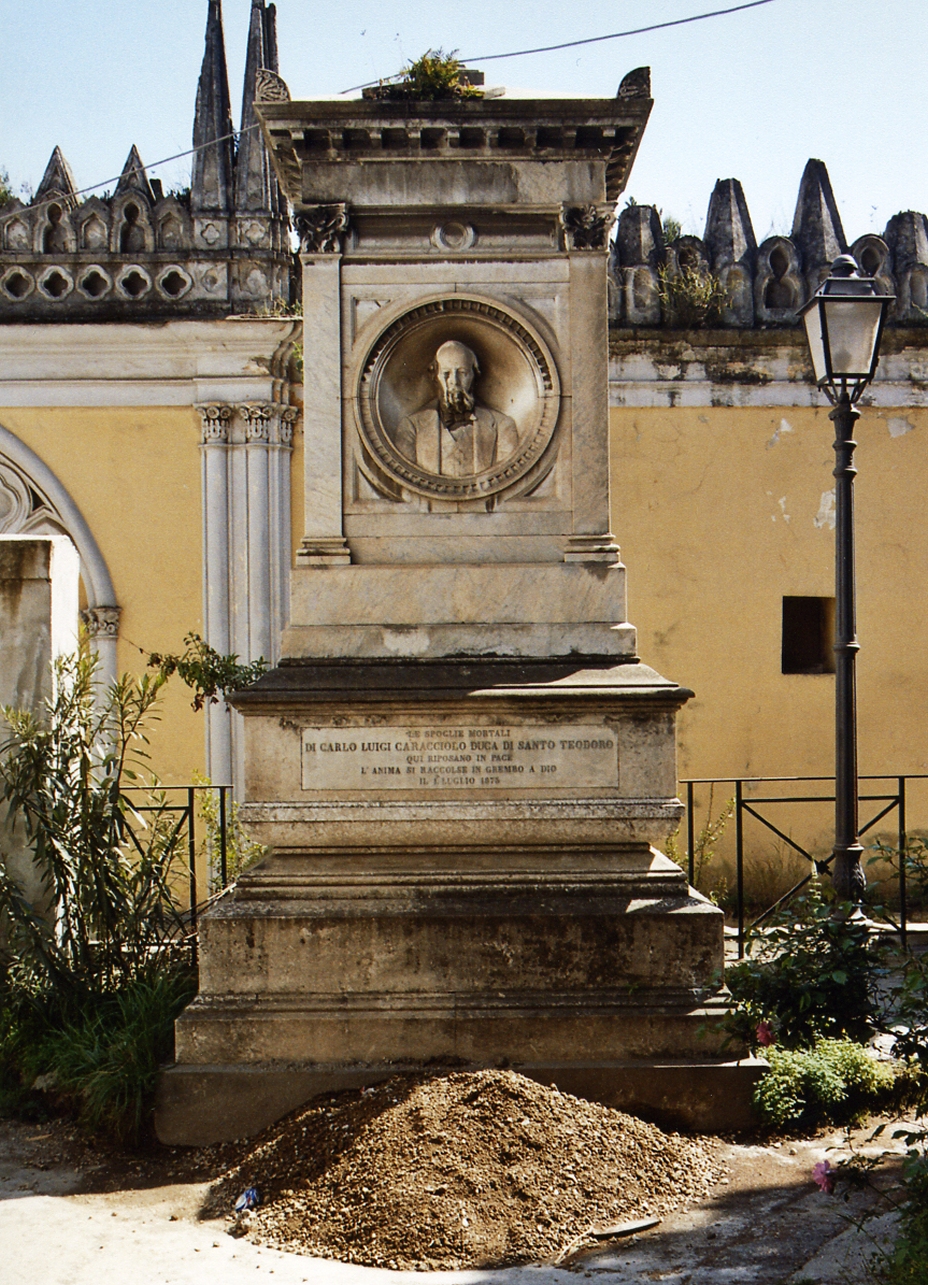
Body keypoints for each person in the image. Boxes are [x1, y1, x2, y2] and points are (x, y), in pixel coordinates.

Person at [395, 340, 519, 477]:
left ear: (474, 375)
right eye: (446, 374)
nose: (454, 381)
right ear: (435, 377)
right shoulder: (411, 427)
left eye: (462, 373)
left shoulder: (502, 426)